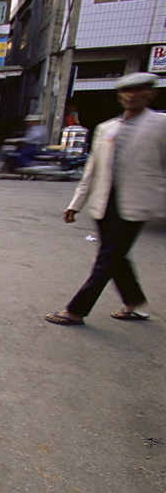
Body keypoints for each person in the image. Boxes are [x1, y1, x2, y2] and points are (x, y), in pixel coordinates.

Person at [45, 72, 166, 326]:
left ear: (150, 93)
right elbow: (92, 169)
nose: (130, 95)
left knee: (107, 258)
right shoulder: (107, 128)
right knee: (115, 256)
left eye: (137, 90)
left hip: (136, 203)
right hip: (105, 203)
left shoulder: (161, 124)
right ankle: (135, 304)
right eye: (125, 91)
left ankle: (76, 310)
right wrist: (75, 204)